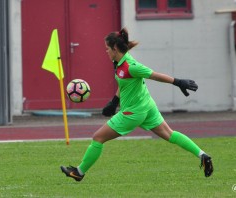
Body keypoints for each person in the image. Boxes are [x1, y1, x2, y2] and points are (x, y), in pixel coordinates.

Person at [61, 28, 213, 182]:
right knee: (170, 134)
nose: (106, 52)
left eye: (107, 49)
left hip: (133, 113)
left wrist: (178, 82)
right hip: (147, 106)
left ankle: (79, 172)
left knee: (98, 137)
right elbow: (125, 83)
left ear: (114, 48)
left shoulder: (130, 66)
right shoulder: (120, 62)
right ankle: (203, 155)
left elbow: (154, 75)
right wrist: (114, 101)